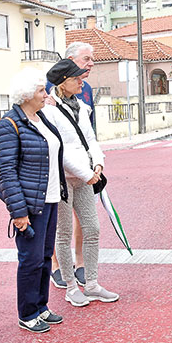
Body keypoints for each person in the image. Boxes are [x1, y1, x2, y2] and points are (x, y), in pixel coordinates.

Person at [0, 68, 68, 332]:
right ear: (25, 96)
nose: (46, 95)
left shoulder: (41, 119)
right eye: (40, 91)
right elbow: (7, 172)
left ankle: (41, 307)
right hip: (29, 204)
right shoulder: (9, 125)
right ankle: (27, 313)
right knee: (30, 259)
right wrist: (18, 212)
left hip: (49, 198)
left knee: (45, 256)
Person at [43, 58, 118, 307]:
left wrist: (98, 164)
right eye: (76, 78)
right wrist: (87, 173)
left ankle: (93, 283)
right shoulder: (49, 110)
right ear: (63, 82)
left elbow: (90, 138)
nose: (81, 81)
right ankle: (71, 287)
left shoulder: (82, 105)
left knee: (92, 228)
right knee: (63, 234)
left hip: (86, 176)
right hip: (64, 179)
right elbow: (58, 150)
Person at [49, 42, 96, 289]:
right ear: (70, 60)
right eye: (86, 59)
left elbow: (88, 128)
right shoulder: (50, 88)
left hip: (84, 165)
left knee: (85, 218)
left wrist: (94, 161)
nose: (91, 64)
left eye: (92, 59)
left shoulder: (85, 88)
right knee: (60, 222)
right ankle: (56, 266)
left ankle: (80, 262)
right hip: (60, 170)